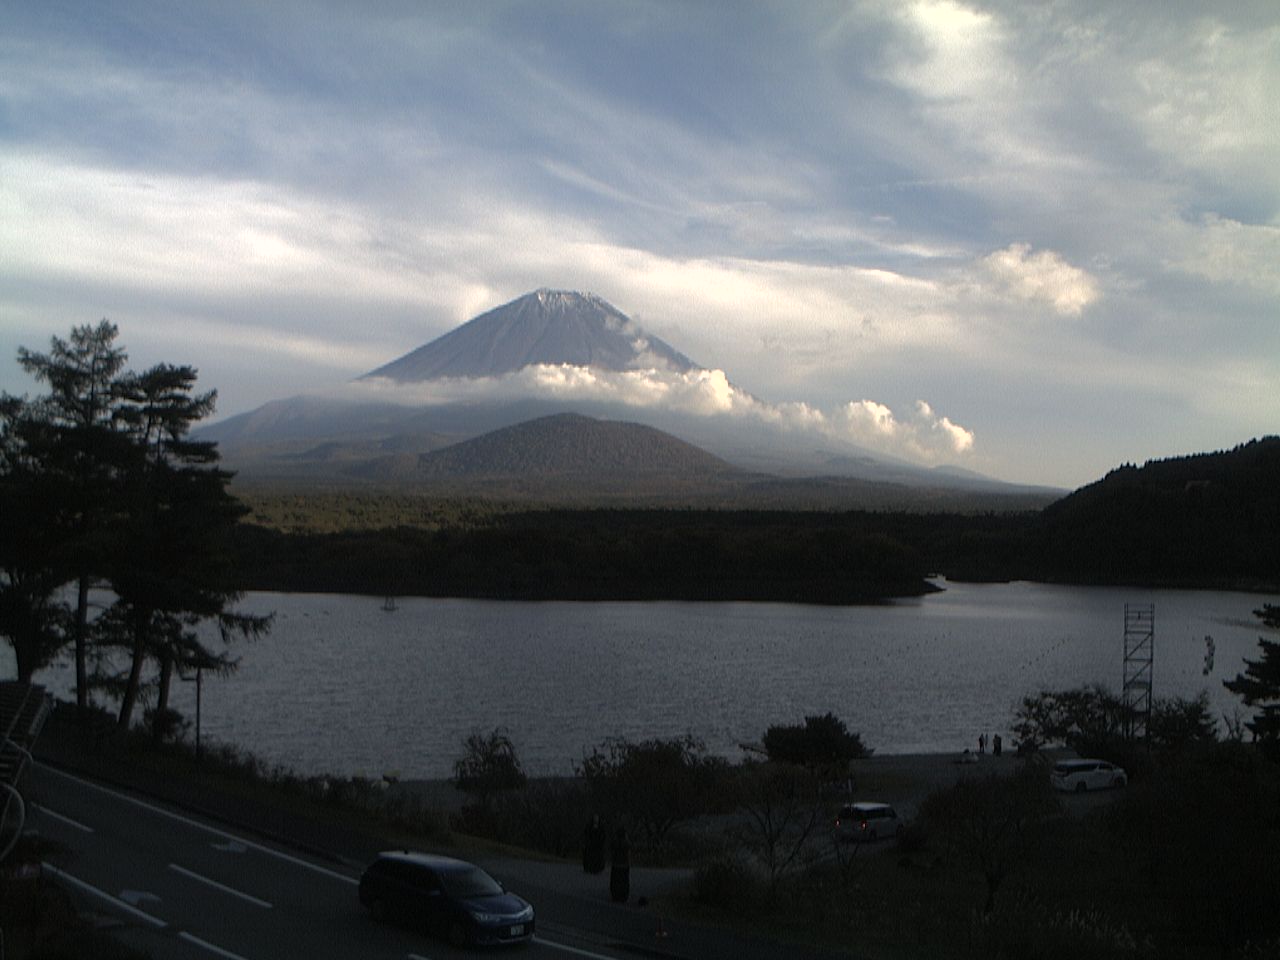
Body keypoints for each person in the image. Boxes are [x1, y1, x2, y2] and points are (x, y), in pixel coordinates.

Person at [609, 826, 630, 903]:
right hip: (624, 864)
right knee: (624, 881)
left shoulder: (615, 842)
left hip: (616, 864)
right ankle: (623, 896)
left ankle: (615, 895)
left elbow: (611, 849)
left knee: (615, 881)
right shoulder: (626, 843)